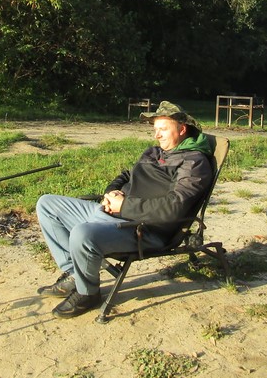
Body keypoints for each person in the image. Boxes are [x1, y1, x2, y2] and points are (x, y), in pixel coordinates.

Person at [34, 101, 215, 318]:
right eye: (155, 129)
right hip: (114, 213)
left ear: (182, 129)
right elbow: (127, 175)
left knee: (82, 233)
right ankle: (75, 274)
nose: (157, 135)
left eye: (163, 129)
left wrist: (125, 206)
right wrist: (111, 193)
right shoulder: (155, 152)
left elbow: (174, 208)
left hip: (142, 229)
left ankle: (87, 293)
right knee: (47, 204)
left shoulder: (193, 162)